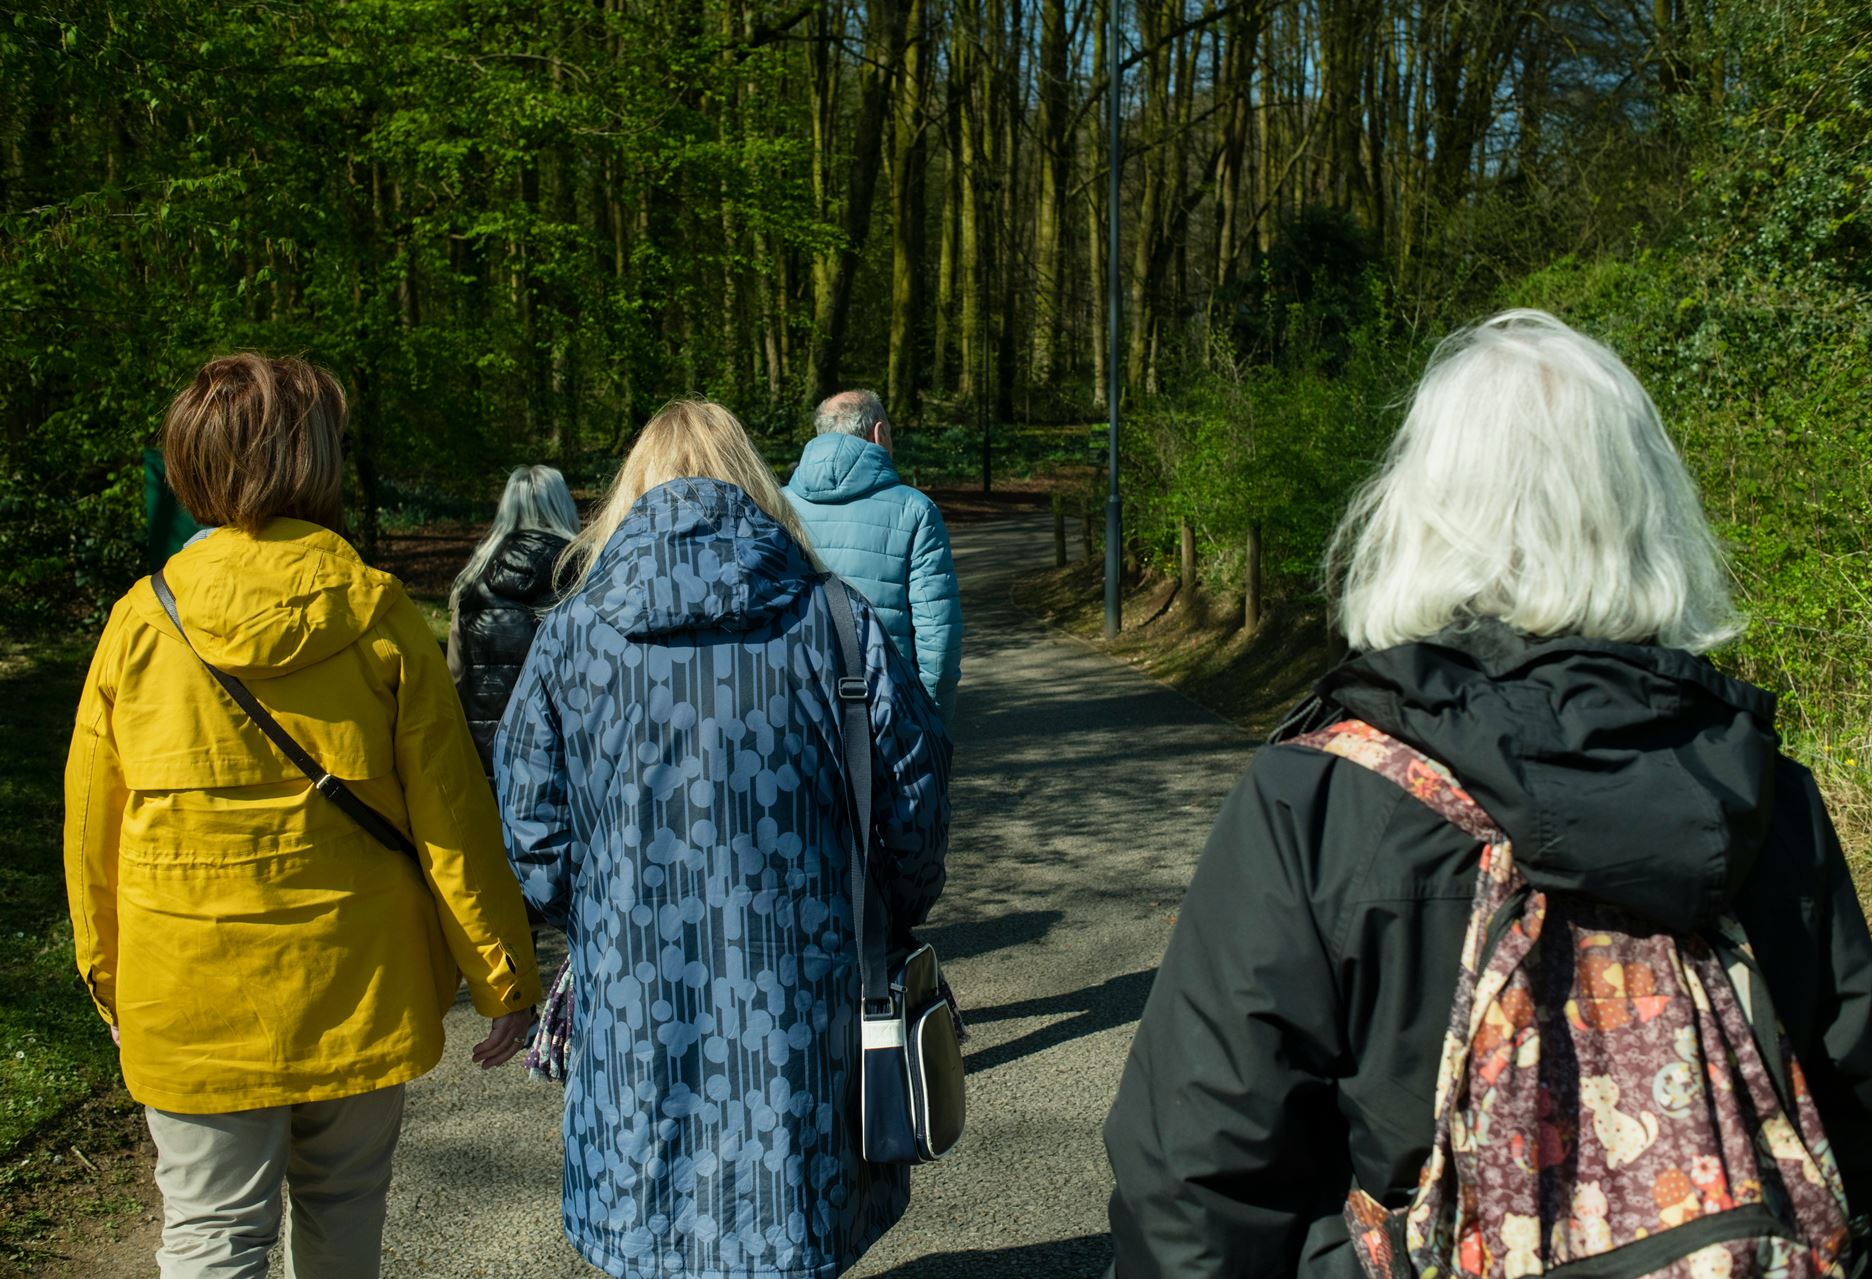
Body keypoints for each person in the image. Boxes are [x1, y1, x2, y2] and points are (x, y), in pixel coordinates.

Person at [1104, 311, 1872, 1276]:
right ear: (1646, 509)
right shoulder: (1761, 789)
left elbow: (1198, 1171)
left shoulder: (1325, 797)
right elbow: (1849, 1108)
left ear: (1421, 507)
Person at [63, 353, 540, 1279]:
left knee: (209, 1235)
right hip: (353, 982)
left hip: (187, 989)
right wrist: (501, 973)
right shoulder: (374, 610)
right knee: (344, 1211)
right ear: (315, 461)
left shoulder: (136, 624)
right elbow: (453, 814)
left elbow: (93, 831)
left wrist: (107, 975)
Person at [495, 399, 952, 1279]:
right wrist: (876, 917)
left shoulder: (571, 638)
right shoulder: (838, 621)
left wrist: (604, 916)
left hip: (634, 1006)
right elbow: (914, 814)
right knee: (790, 1226)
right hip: (801, 1008)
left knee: (654, 1232)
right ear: (754, 483)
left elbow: (534, 832)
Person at [784, 389, 963, 724]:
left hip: (800, 707)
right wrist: (934, 718)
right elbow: (938, 634)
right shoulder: (916, 510)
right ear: (879, 433)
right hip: (890, 708)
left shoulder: (777, 507)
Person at [447, 464, 580, 776]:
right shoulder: (587, 577)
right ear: (564, 506)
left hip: (489, 761)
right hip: (571, 761)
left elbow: (453, 679)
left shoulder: (471, 584)